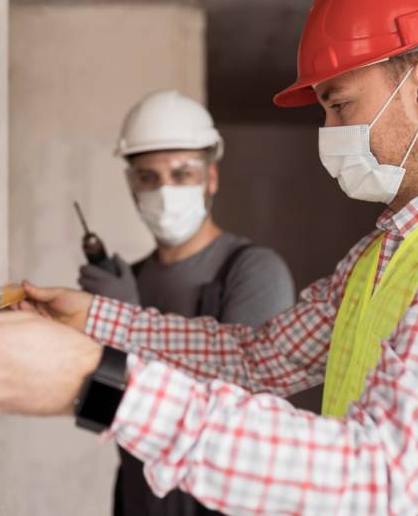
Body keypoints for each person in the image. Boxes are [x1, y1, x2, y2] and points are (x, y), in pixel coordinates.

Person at [0, 0, 418, 514]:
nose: (328, 131)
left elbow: (378, 475)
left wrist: (97, 383)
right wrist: (95, 320)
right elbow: (257, 358)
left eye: (339, 104)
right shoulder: (388, 252)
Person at [80, 89, 296, 516]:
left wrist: (125, 323)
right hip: (139, 503)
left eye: (182, 174)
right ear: (131, 185)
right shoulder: (128, 281)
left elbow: (242, 420)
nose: (164, 192)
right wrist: (89, 334)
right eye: (148, 177)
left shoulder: (252, 271)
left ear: (210, 178)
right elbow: (101, 414)